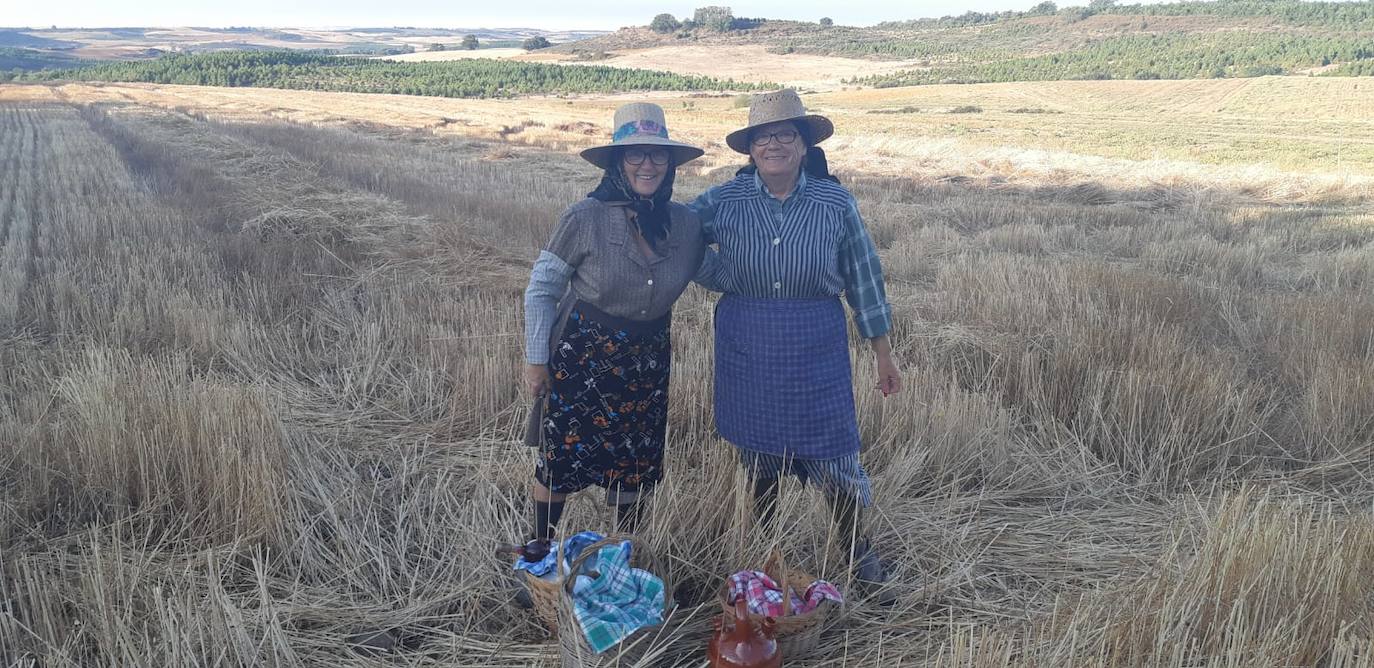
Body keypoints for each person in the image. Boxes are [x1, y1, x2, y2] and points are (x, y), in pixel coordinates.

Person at [693, 89, 903, 597]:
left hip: (816, 343)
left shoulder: (835, 201)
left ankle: (859, 553)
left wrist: (882, 351)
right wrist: (715, 273)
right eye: (762, 136)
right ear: (750, 148)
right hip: (748, 341)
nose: (773, 144)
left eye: (785, 134)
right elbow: (675, 236)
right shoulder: (721, 200)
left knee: (834, 454)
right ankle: (766, 556)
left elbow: (863, 274)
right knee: (760, 454)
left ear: (805, 144)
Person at [521, 103, 706, 547]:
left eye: (657, 155)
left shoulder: (685, 223)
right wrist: (535, 360)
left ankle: (619, 558)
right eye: (635, 155)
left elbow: (722, 264)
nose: (648, 165)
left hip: (647, 360)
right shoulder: (583, 217)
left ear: (671, 164)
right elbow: (541, 289)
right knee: (561, 461)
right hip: (582, 355)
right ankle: (540, 552)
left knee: (635, 464)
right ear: (618, 162)